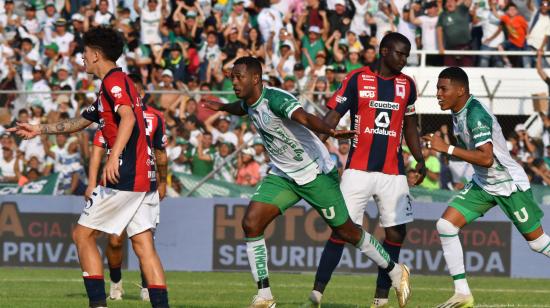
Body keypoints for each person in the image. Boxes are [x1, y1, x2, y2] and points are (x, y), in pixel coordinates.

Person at [202, 56, 411, 308]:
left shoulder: (276, 99)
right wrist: (224, 107)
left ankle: (395, 271)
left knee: (347, 232)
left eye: (239, 77)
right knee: (251, 223)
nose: (234, 81)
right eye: (232, 77)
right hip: (283, 175)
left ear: (255, 78)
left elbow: (303, 117)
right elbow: (242, 108)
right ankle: (264, 296)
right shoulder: (249, 102)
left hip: (316, 173)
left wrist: (329, 130)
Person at [8, 27, 169, 308]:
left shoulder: (113, 81)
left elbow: (128, 119)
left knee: (82, 235)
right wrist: (39, 129)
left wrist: (112, 155)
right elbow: (81, 122)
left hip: (125, 173)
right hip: (144, 176)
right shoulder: (115, 84)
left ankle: (98, 305)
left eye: (84, 53)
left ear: (96, 54)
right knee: (144, 245)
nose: (82, 58)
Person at [307, 32, 426, 308]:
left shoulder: (407, 85)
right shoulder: (357, 78)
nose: (404, 59)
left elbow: (409, 125)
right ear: (384, 51)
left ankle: (380, 299)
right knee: (341, 230)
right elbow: (332, 117)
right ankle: (316, 295)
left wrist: (418, 159)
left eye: (407, 54)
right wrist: (314, 148)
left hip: (393, 172)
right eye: (399, 53)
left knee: (396, 234)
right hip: (358, 171)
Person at [422, 67, 550, 308]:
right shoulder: (457, 112)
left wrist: (446, 148)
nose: (438, 94)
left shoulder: (475, 114)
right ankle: (462, 294)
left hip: (507, 184)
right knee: (446, 225)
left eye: (443, 89)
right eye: (438, 88)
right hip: (483, 183)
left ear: (460, 90)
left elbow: (487, 158)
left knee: (538, 243)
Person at [85, 73, 169, 302]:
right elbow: (97, 148)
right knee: (119, 241)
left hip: (133, 180)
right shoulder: (110, 112)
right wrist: (92, 182)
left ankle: (136, 289)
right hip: (122, 179)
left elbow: (160, 152)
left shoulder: (154, 118)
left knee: (85, 235)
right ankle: (115, 283)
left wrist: (163, 181)